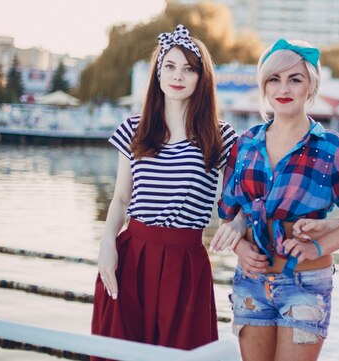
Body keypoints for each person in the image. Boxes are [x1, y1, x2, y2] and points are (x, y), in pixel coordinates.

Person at [211, 38, 339, 361]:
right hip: (250, 280)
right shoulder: (245, 144)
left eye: (295, 79)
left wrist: (319, 245)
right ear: (264, 86)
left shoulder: (331, 148)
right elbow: (230, 214)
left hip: (305, 284)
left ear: (311, 86)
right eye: (274, 79)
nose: (284, 88)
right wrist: (239, 247)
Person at [91, 24, 237, 356]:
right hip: (132, 255)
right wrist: (106, 244)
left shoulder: (221, 137)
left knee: (182, 353)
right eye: (169, 66)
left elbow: (235, 204)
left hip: (186, 261)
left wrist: (238, 224)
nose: (178, 75)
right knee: (120, 353)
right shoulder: (134, 129)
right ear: (157, 74)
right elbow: (120, 199)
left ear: (202, 78)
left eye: (189, 69)